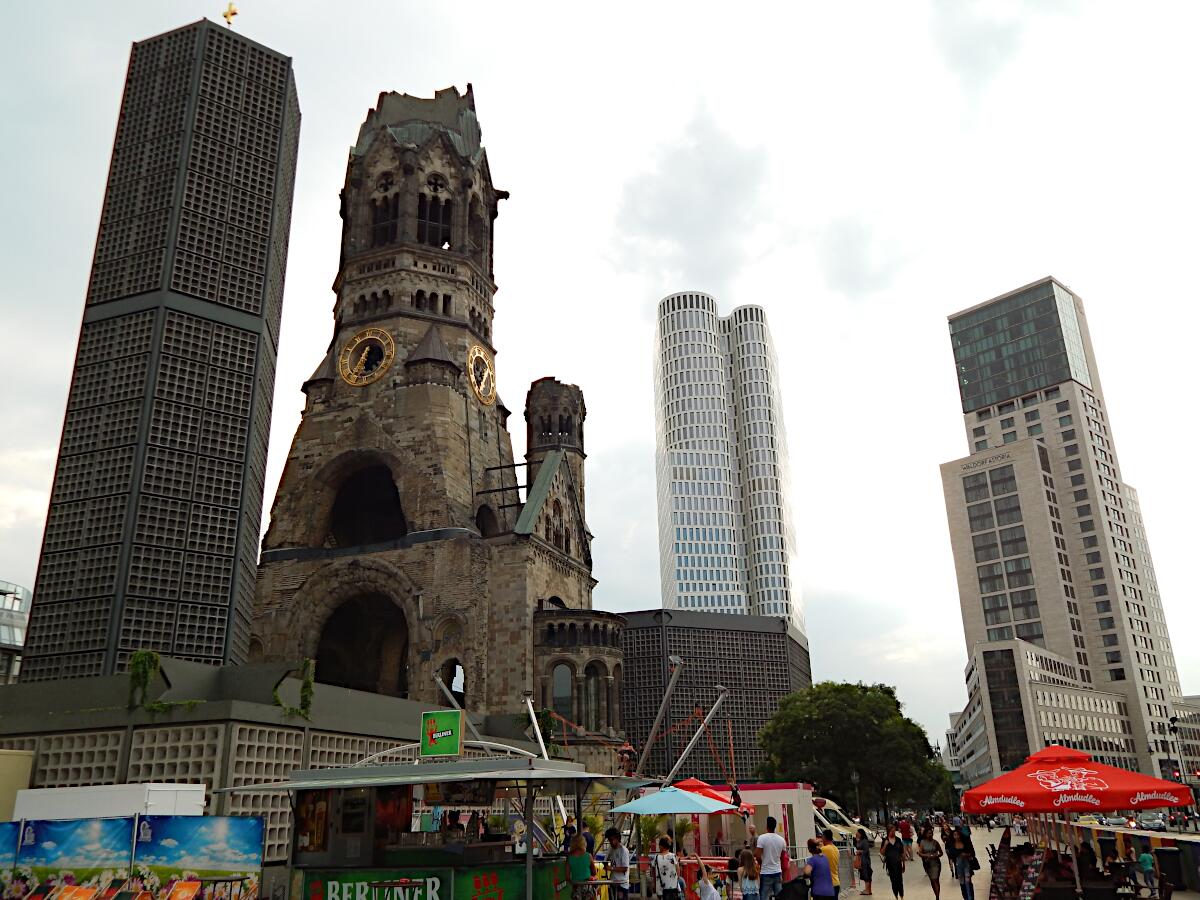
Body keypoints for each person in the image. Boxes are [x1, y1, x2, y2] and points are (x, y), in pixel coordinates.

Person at [756, 816, 788, 900]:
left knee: (764, 896)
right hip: (777, 871)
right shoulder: (781, 840)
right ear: (775, 826)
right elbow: (783, 857)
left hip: (766, 872)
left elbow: (757, 855)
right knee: (779, 896)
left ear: (767, 826)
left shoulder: (762, 838)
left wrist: (761, 863)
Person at [917, 824, 943, 900]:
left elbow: (941, 853)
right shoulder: (922, 842)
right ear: (925, 834)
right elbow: (920, 853)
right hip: (927, 863)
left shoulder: (935, 842)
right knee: (932, 880)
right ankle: (936, 894)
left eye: (931, 833)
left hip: (936, 863)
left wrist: (936, 856)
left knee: (936, 879)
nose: (930, 834)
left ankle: (937, 897)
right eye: (929, 833)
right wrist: (926, 856)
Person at [603, 828, 630, 900]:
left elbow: (625, 868)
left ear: (618, 838)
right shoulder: (611, 849)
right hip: (613, 882)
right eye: (609, 840)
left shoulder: (623, 851)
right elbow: (608, 860)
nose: (611, 842)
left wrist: (611, 868)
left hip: (621, 884)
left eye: (612, 840)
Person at [880, 825, 905, 900]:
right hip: (890, 864)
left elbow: (902, 853)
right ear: (888, 831)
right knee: (893, 881)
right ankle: (896, 896)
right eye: (891, 831)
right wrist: (885, 845)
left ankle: (902, 896)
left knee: (900, 881)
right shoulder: (885, 840)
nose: (893, 832)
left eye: (894, 831)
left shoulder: (898, 840)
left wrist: (904, 864)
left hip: (898, 864)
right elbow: (881, 852)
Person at [652, 836, 682, 900]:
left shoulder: (656, 858)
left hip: (660, 889)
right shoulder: (673, 856)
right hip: (673, 888)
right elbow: (678, 873)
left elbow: (654, 874)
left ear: (661, 846)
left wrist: (654, 885)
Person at [568, 833, 596, 900]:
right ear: (584, 843)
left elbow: (567, 877)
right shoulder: (588, 856)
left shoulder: (569, 857)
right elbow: (594, 872)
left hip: (576, 886)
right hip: (587, 887)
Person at [950, 831, 975, 900]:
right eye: (955, 835)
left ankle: (971, 897)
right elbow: (951, 856)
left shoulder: (966, 843)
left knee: (968, 881)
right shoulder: (952, 845)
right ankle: (966, 897)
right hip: (958, 865)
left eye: (958, 834)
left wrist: (966, 855)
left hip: (967, 863)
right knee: (962, 882)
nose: (957, 836)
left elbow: (972, 853)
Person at [854, 828, 873, 896]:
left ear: (861, 834)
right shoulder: (859, 840)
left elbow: (866, 850)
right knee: (864, 874)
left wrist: (860, 851)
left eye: (857, 833)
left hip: (865, 860)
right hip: (861, 859)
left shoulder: (864, 841)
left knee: (866, 874)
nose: (856, 834)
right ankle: (868, 889)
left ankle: (868, 890)